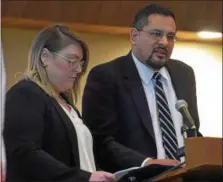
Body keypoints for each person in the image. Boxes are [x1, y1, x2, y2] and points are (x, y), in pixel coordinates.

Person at [82, 4, 202, 173]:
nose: (164, 42)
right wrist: (146, 163)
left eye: (171, 36)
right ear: (134, 36)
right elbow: (100, 142)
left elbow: (192, 131)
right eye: (156, 34)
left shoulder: (184, 74)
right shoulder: (107, 76)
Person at [3, 24, 115, 182]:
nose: (78, 70)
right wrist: (83, 178)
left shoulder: (66, 103)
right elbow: (24, 154)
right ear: (44, 57)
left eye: (81, 63)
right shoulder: (25, 94)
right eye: (72, 61)